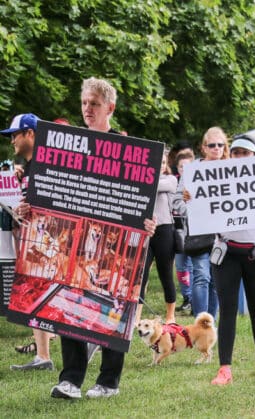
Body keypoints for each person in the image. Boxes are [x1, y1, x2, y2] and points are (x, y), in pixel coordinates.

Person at [51, 77, 157, 399]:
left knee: (115, 308)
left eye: (94, 103)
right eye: (84, 103)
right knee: (69, 307)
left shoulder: (129, 151)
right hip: (78, 246)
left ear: (110, 107)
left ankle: (108, 382)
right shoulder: (69, 145)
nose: (87, 109)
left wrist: (147, 223)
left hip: (116, 248)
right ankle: (70, 380)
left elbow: (140, 201)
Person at [210, 134, 255, 386]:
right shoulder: (216, 181)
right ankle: (224, 368)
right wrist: (191, 200)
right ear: (230, 156)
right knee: (227, 310)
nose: (241, 158)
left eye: (246, 153)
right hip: (226, 253)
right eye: (237, 153)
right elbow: (202, 214)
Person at [1, 113, 56, 372]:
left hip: (48, 247)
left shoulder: (47, 167)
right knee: (35, 298)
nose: (12, 141)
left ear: (30, 134)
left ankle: (54, 355)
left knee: (48, 299)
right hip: (34, 245)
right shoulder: (30, 168)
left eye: (15, 135)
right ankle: (43, 356)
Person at [187, 127, 229, 319]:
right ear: (204, 148)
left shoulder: (231, 170)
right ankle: (199, 322)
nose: (216, 148)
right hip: (199, 234)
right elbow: (176, 201)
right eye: (212, 145)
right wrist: (186, 200)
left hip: (223, 235)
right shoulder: (192, 170)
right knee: (201, 276)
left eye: (220, 145)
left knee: (215, 281)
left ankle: (209, 324)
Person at [137, 150, 178, 323]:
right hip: (145, 231)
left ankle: (171, 315)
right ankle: (136, 315)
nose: (160, 166)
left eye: (162, 163)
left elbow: (158, 187)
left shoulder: (171, 179)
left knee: (166, 274)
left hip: (164, 230)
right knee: (141, 275)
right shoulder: (141, 178)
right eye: (157, 162)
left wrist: (141, 180)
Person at [173, 149, 195, 312]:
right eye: (181, 167)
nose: (184, 170)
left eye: (188, 166)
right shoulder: (173, 182)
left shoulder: (197, 183)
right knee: (181, 266)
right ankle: (187, 296)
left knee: (195, 267)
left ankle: (195, 298)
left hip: (194, 232)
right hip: (177, 230)